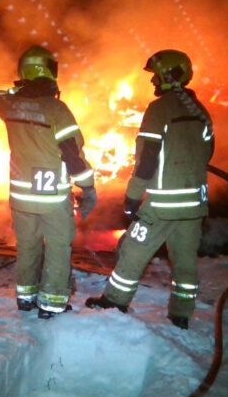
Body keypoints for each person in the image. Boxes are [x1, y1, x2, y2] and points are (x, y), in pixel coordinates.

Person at [85, 49, 214, 329]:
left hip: (162, 205)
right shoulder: (200, 110)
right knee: (184, 260)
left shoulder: (159, 110)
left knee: (133, 251)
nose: (154, 82)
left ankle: (115, 301)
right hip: (194, 204)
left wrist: (132, 196)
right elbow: (208, 152)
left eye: (157, 76)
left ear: (171, 75)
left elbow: (147, 160)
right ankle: (181, 313)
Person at [0, 45, 97, 319]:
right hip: (52, 197)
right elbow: (73, 155)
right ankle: (51, 304)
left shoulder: (9, 105)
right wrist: (87, 187)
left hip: (21, 198)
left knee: (27, 245)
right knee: (58, 247)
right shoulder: (57, 110)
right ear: (49, 73)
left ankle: (25, 298)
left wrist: (21, 89)